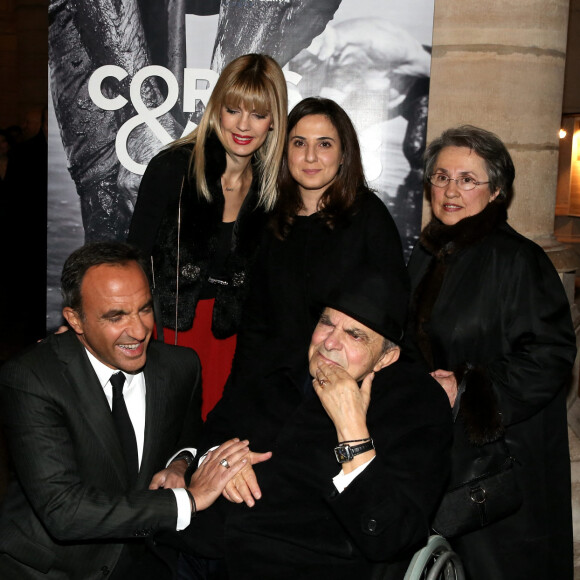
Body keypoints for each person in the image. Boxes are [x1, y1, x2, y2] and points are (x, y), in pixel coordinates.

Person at [161, 266, 453, 579]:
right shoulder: (279, 364)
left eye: (355, 335)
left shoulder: (414, 406)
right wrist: (219, 458)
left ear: (386, 358)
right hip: (190, 546)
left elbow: (390, 536)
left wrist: (352, 431)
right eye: (327, 322)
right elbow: (214, 427)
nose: (330, 342)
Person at [0, 241, 254, 580]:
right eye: (115, 316)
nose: (138, 331)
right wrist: (189, 500)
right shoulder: (32, 379)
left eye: (145, 309)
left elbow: (188, 433)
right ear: (75, 319)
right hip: (47, 569)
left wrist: (179, 464)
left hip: (140, 564)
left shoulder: (180, 368)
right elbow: (64, 512)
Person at [405, 125, 577, 579]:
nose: (450, 190)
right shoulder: (427, 254)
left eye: (467, 179)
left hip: (500, 460)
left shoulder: (519, 260)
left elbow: (550, 355)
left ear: (497, 190)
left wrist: (468, 387)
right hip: (441, 449)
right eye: (441, 177)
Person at [128, 53, 288, 419]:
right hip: (165, 336)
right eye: (234, 110)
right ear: (217, 109)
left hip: (233, 343)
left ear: (274, 122)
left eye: (259, 114)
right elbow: (132, 258)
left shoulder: (273, 191)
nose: (244, 125)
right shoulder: (172, 169)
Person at [230, 96, 408, 388]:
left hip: (339, 387)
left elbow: (391, 320)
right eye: (299, 143)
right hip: (269, 386)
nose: (310, 156)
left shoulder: (369, 217)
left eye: (324, 144)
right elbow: (253, 324)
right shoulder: (266, 218)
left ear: (343, 154)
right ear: (285, 152)